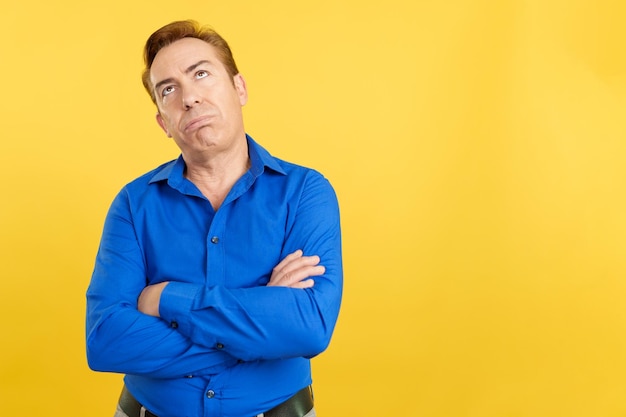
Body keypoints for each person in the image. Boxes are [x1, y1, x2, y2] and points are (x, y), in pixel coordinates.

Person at [85, 19, 343, 417]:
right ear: (163, 122)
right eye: (168, 90)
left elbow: (308, 326)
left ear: (239, 88)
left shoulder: (306, 192)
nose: (189, 98)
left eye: (201, 74)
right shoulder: (133, 204)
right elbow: (106, 341)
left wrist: (166, 297)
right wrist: (260, 321)